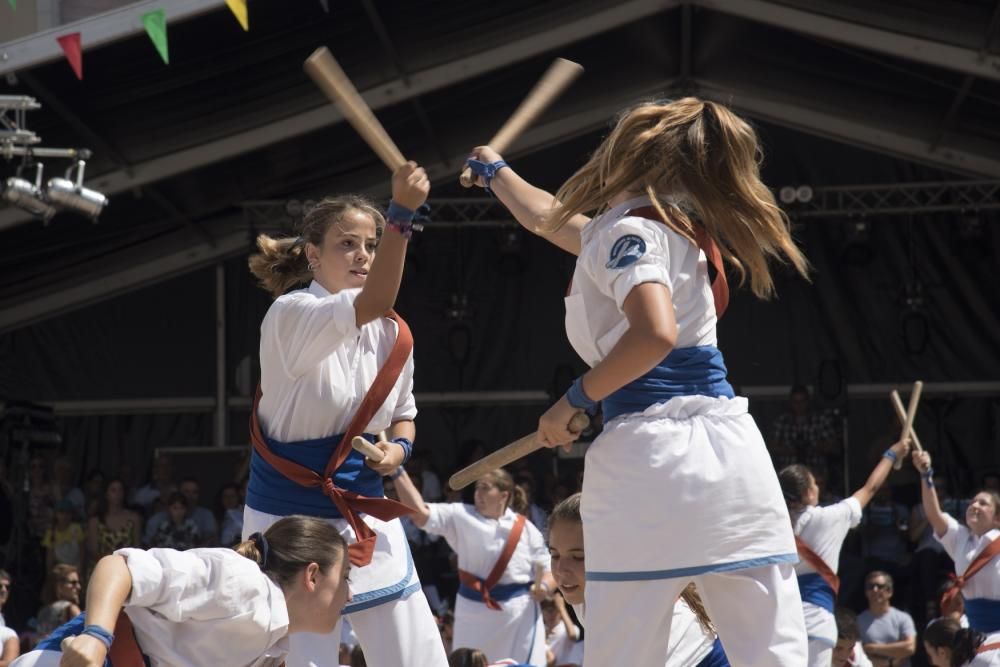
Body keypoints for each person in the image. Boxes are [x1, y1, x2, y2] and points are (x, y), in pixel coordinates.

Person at [466, 97, 810, 665]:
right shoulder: (669, 229)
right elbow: (544, 217)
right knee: (772, 651)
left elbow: (654, 334)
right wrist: (496, 172)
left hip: (653, 458)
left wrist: (574, 399)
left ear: (620, 157)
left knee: (624, 651)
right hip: (732, 456)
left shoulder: (626, 234)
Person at [243, 163, 446, 667]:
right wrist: (401, 214)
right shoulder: (290, 314)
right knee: (301, 658)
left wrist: (397, 450)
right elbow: (377, 296)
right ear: (312, 254)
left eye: (372, 244)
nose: (363, 255)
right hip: (286, 520)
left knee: (414, 656)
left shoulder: (393, 334)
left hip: (362, 510)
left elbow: (404, 415)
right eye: (347, 244)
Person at [12, 515, 350, 667]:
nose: (350, 594)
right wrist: (96, 636)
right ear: (313, 576)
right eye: (346, 575)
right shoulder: (240, 580)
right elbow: (118, 567)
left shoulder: (274, 648)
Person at [393, 467, 554, 666]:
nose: (478, 494)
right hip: (472, 614)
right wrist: (397, 471)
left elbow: (549, 568)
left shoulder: (526, 529)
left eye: (485, 488)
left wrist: (544, 587)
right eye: (477, 488)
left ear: (504, 495)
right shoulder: (461, 515)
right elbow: (419, 514)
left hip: (519, 615)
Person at [546, 492, 729, 667]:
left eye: (578, 557)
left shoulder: (625, 596)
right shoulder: (587, 587)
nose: (561, 570)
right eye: (554, 555)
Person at [779, 437, 911, 666]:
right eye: (815, 484)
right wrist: (890, 454)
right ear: (809, 493)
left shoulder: (772, 527)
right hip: (815, 620)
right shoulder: (829, 518)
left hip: (781, 622)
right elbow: (871, 488)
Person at [914, 449, 1000, 637]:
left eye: (983, 504)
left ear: (997, 518)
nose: (974, 506)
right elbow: (934, 514)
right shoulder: (960, 539)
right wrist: (925, 474)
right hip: (975, 637)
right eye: (972, 502)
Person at [769, 385, 838, 474]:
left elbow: (835, 446)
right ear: (790, 402)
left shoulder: (820, 420)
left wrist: (814, 448)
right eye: (795, 402)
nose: (799, 405)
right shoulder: (782, 421)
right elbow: (771, 446)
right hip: (790, 473)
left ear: (808, 401)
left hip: (815, 471)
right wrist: (790, 450)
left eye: (802, 401)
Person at [857, 570, 917, 667]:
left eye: (879, 586)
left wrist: (873, 648)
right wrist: (890, 660)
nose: (875, 590)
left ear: (889, 591)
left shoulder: (903, 618)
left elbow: (910, 647)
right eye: (870, 587)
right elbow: (857, 653)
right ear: (866, 592)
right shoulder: (858, 621)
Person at [86, 480, 141, 576]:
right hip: (101, 570)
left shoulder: (134, 518)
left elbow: (137, 547)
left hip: (127, 570)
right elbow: (93, 551)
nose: (117, 494)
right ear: (106, 494)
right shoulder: (95, 521)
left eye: (120, 490)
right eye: (113, 490)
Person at [924, 617, 1000, 667]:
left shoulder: (979, 663)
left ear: (942, 652)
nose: (933, 663)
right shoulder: (989, 638)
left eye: (930, 656)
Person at [36, 565, 82, 637]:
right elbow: (82, 636)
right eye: (73, 582)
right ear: (59, 586)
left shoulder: (42, 612)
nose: (79, 587)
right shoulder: (71, 609)